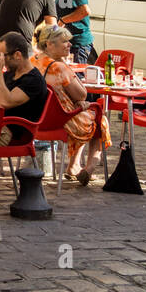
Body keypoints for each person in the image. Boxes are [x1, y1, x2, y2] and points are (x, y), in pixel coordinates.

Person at [41, 26, 110, 185]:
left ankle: (74, 166)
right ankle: (90, 167)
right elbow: (81, 94)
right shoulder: (59, 67)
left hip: (39, 120)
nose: (69, 45)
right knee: (98, 118)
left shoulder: (33, 61)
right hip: (63, 121)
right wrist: (64, 65)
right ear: (49, 44)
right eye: (64, 41)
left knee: (84, 113)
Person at [0, 31, 49, 146]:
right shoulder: (11, 73)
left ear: (17, 55)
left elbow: (5, 102)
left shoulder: (33, 80)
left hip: (14, 134)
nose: (0, 60)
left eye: (2, 56)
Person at [51, 0, 97, 64]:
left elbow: (85, 11)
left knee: (77, 78)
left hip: (77, 44)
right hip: (73, 43)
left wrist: (62, 21)